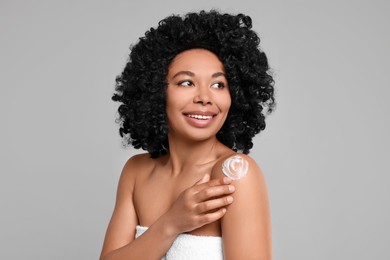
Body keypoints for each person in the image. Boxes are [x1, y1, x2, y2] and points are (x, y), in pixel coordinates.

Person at [100, 10, 275, 260]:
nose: (204, 97)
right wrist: (171, 223)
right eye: (186, 82)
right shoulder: (136, 172)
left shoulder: (233, 175)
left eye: (218, 84)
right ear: (156, 92)